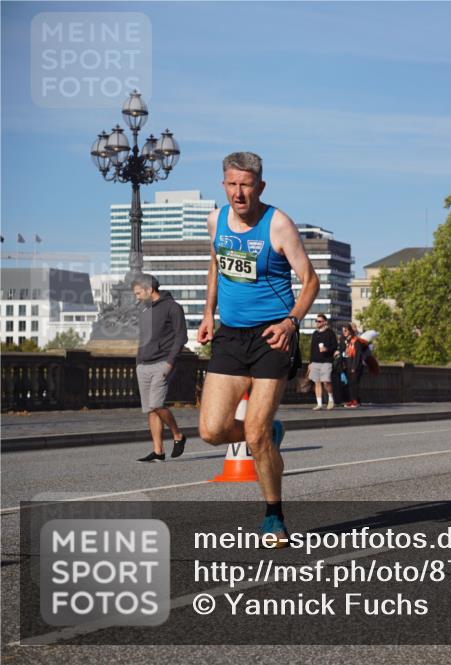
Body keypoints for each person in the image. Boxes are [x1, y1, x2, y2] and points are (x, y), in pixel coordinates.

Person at [197, 151, 319, 545]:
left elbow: (310, 280)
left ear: (260, 186)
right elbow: (216, 264)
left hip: (273, 336)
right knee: (212, 431)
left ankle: (274, 516)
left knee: (256, 434)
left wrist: (291, 323)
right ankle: (266, 433)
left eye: (246, 185)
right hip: (231, 336)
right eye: (232, 184)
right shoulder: (215, 219)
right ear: (223, 185)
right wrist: (207, 314)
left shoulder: (278, 224)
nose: (239, 192)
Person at [132, 274, 188, 462]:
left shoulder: (173, 307)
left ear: (150, 289)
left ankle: (178, 435)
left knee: (157, 404)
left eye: (139, 293)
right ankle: (158, 450)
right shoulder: (144, 310)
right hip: (144, 365)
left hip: (163, 363)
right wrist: (139, 361)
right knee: (150, 409)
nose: (137, 297)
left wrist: (170, 362)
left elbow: (181, 337)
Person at [308, 314, 338, 410]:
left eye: (319, 321)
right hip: (315, 362)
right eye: (316, 321)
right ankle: (319, 404)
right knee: (317, 382)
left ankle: (330, 400)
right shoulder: (315, 333)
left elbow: (334, 347)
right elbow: (312, 349)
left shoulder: (330, 333)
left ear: (325, 322)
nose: (317, 323)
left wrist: (327, 349)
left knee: (326, 382)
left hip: (326, 361)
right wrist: (310, 363)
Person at [343, 324, 368, 408]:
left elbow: (357, 355)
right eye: (343, 331)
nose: (344, 332)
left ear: (350, 331)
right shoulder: (348, 341)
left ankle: (355, 401)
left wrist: (354, 367)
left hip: (355, 366)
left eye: (345, 330)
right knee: (350, 384)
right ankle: (351, 400)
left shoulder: (356, 341)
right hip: (349, 365)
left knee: (354, 384)